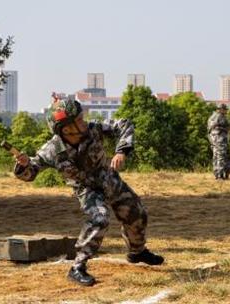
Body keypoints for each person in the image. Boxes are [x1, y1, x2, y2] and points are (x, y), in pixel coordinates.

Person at [13, 97, 164, 286]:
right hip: (87, 189)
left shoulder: (94, 129)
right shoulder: (52, 149)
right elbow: (30, 174)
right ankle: (77, 267)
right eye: (78, 120)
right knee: (99, 219)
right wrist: (23, 166)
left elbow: (124, 124)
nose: (83, 121)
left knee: (137, 213)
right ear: (66, 129)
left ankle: (137, 252)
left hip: (109, 179)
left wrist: (121, 151)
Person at [207, 103, 230, 180]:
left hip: (214, 140)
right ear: (221, 109)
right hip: (220, 140)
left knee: (216, 157)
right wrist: (229, 128)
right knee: (221, 157)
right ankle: (220, 176)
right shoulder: (220, 116)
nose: (226, 111)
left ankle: (217, 174)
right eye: (225, 109)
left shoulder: (211, 117)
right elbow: (226, 126)